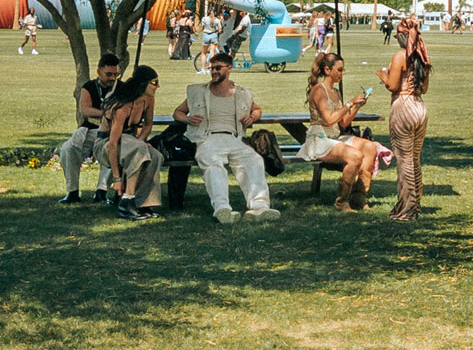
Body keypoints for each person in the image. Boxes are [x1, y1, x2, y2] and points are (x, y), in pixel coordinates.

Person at [172, 51, 280, 224]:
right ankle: (222, 208)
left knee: (254, 161)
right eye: (211, 68)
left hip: (235, 138)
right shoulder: (198, 91)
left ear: (229, 68)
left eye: (217, 68)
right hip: (207, 139)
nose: (213, 71)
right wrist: (187, 118)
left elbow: (257, 109)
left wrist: (252, 117)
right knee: (213, 165)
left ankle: (259, 207)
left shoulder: (242, 93)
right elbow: (177, 112)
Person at [298, 53, 380, 211]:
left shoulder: (335, 92)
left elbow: (343, 122)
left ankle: (359, 196)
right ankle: (341, 201)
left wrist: (357, 105)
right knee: (355, 156)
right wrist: (350, 103)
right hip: (319, 139)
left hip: (335, 137)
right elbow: (329, 119)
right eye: (340, 70)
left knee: (370, 148)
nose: (343, 73)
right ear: (327, 70)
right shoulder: (318, 91)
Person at [376, 16, 430, 222]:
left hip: (403, 106)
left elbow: (392, 85)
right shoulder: (423, 57)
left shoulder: (400, 57)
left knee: (405, 160)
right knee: (415, 159)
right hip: (419, 107)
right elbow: (424, 88)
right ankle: (415, 203)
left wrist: (383, 75)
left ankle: (406, 209)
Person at [93, 65, 163, 220]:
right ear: (143, 84)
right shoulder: (123, 106)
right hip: (105, 144)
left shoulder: (148, 99)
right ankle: (127, 201)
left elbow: (148, 124)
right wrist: (117, 178)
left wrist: (140, 141)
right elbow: (112, 143)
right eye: (155, 82)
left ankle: (143, 203)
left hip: (129, 142)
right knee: (139, 150)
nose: (158, 86)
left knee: (155, 156)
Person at [58, 52, 121, 204]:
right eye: (108, 74)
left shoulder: (121, 88)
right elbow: (85, 110)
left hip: (109, 132)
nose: (112, 78)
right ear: (99, 71)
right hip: (89, 130)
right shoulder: (88, 87)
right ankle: (72, 192)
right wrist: (106, 113)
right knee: (68, 149)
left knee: (112, 149)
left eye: (115, 74)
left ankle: (101, 192)